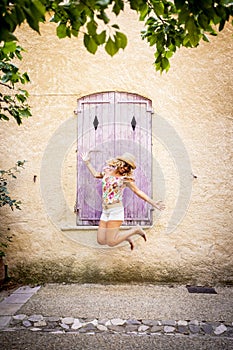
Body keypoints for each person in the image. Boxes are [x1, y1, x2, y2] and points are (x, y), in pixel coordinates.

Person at [81, 151, 165, 250]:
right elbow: (95, 174)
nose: (126, 168)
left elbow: (138, 191)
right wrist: (87, 162)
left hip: (116, 211)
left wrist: (154, 203)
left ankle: (136, 229)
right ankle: (126, 237)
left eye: (128, 168)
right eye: (125, 165)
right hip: (105, 211)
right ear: (120, 163)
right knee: (101, 240)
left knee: (111, 242)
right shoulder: (107, 172)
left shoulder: (124, 179)